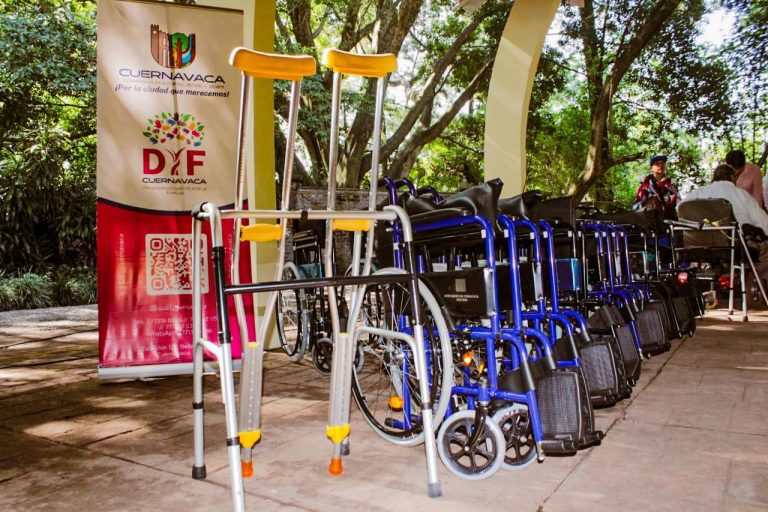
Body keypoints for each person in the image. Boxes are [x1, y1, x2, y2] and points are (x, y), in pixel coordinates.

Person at [682, 163, 768, 284]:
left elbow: (679, 214)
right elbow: (763, 223)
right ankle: (755, 286)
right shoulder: (741, 194)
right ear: (734, 178)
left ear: (714, 178)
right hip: (733, 246)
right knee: (765, 252)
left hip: (697, 247)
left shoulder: (696, 194)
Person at [633, 154, 679, 219]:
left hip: (670, 218)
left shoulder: (671, 182)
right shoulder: (646, 184)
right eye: (657, 164)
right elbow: (636, 206)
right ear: (651, 168)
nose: (660, 165)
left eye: (662, 163)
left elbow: (678, 201)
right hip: (652, 219)